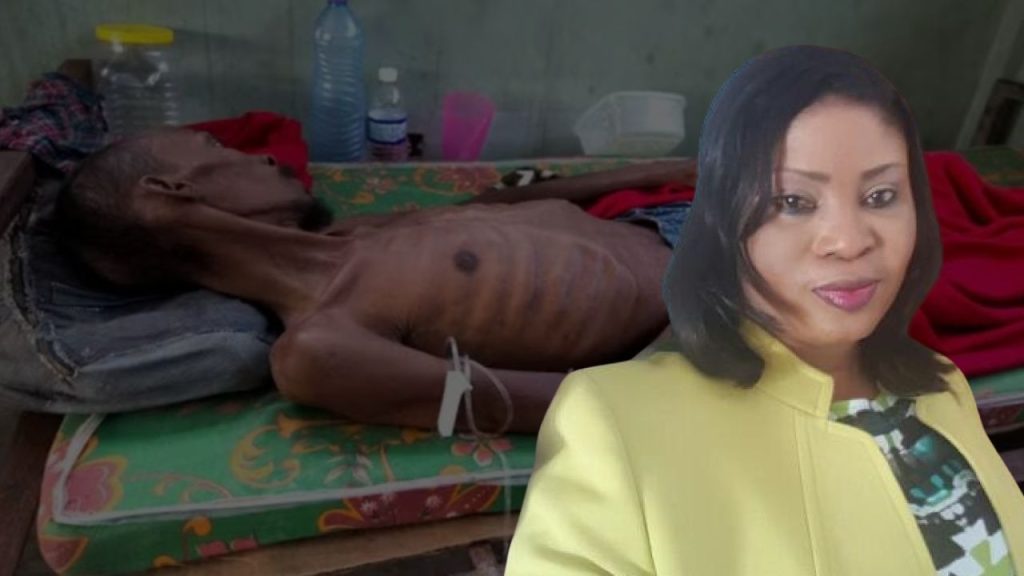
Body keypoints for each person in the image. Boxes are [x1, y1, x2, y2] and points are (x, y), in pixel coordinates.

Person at [506, 45, 1024, 575]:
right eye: (793, 202)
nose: (849, 241)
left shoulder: (943, 386)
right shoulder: (614, 421)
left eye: (880, 196)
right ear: (725, 222)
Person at [57, 131, 695, 433]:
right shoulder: (320, 347)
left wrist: (661, 171)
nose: (266, 155)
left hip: (677, 220)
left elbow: (493, 207)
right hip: (706, 307)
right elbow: (520, 402)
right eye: (216, 149)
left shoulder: (355, 233)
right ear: (167, 194)